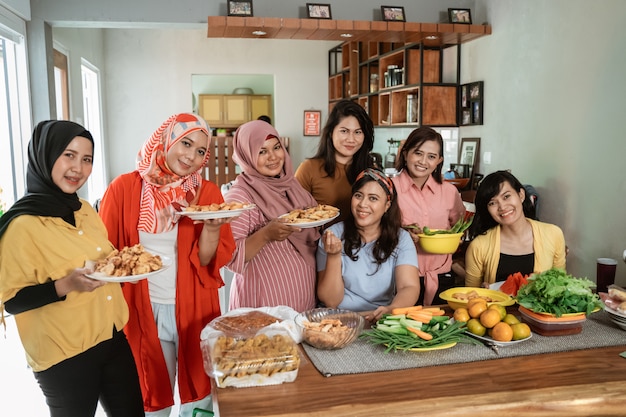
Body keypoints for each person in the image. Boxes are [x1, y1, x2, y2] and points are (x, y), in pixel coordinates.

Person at [0, 120, 144, 417]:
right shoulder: (22, 226)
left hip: (111, 335)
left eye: (87, 159)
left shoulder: (84, 210)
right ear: (46, 155)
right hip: (64, 353)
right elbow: (11, 300)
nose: (78, 167)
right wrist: (67, 285)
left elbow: (106, 259)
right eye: (69, 154)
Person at [98, 113, 236, 416]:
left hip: (195, 308)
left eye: (201, 150)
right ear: (166, 139)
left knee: (197, 395)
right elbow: (107, 257)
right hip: (140, 308)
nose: (191, 156)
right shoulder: (123, 189)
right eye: (186, 143)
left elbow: (205, 262)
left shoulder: (205, 193)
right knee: (150, 394)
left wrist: (212, 228)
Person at [224, 120, 320, 311]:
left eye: (276, 147)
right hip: (262, 304)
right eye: (262, 151)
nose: (273, 157)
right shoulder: (240, 196)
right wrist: (266, 234)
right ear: (247, 156)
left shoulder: (291, 186)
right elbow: (230, 255)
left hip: (302, 301)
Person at [316, 168, 420, 323]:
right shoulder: (332, 235)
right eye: (358, 196)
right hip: (338, 321)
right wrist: (333, 255)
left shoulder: (402, 238)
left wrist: (392, 309)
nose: (363, 204)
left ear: (387, 205)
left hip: (380, 318)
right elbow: (331, 301)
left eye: (373, 198)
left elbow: (409, 287)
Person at [391, 127, 466, 306]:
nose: (423, 161)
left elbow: (460, 227)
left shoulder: (449, 192)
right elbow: (373, 231)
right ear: (405, 152)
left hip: (442, 276)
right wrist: (401, 234)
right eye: (418, 153)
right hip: (398, 277)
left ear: (439, 160)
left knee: (440, 329)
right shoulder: (389, 188)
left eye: (431, 156)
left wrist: (456, 240)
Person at [464, 170, 566, 288]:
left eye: (506, 196)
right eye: (492, 203)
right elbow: (470, 297)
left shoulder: (554, 234)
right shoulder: (478, 246)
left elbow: (560, 286)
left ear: (521, 195)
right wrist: (483, 293)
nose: (502, 207)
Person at [295, 99, 374, 224]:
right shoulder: (308, 169)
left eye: (358, 132)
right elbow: (295, 216)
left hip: (361, 242)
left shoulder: (370, 171)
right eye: (344, 131)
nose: (351, 139)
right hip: (319, 241)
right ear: (331, 133)